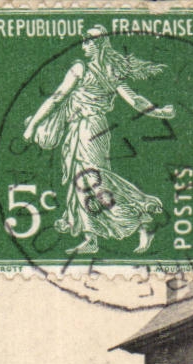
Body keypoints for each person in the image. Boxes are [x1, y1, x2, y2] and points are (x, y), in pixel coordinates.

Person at [22, 26, 176, 254]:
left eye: (87, 42)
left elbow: (56, 99)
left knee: (92, 180)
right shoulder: (111, 71)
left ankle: (141, 219)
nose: (83, 46)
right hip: (96, 129)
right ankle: (91, 238)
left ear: (98, 44)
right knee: (84, 181)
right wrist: (160, 112)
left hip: (86, 130)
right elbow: (136, 101)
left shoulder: (79, 68)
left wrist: (33, 125)